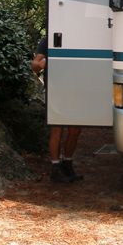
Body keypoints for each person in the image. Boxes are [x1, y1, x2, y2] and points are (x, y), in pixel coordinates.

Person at [32, 37, 84, 183]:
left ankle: (67, 164)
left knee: (75, 131)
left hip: (75, 92)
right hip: (56, 91)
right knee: (57, 129)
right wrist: (44, 63)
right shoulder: (48, 39)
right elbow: (35, 65)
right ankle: (55, 168)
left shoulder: (79, 36)